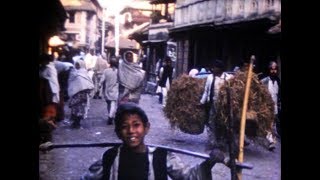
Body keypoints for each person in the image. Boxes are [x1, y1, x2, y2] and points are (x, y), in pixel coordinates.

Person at [81, 103, 226, 180]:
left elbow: (187, 177)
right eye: (124, 127)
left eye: (136, 125)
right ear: (118, 133)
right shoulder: (110, 158)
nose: (131, 131)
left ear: (146, 128)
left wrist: (209, 162)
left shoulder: (162, 156)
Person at [200, 60, 233, 150]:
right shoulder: (210, 78)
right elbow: (206, 91)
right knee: (211, 123)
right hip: (212, 104)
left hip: (223, 106)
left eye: (215, 67)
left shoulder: (228, 78)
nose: (213, 69)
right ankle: (212, 143)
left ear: (220, 69)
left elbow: (232, 92)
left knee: (222, 124)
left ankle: (222, 143)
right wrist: (202, 102)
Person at [67, 60, 94, 128]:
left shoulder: (85, 73)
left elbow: (89, 83)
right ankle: (75, 123)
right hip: (75, 95)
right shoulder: (73, 73)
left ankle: (77, 123)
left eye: (78, 64)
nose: (77, 66)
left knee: (80, 110)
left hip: (82, 95)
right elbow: (71, 82)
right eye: (76, 64)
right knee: (75, 109)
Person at [260, 61, 281, 150]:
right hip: (266, 106)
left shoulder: (278, 81)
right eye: (272, 69)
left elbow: (278, 94)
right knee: (268, 124)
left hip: (275, 106)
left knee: (272, 124)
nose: (273, 71)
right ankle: (270, 142)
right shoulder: (265, 80)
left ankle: (271, 139)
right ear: (269, 70)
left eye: (275, 69)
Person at [100, 57, 119, 125]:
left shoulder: (106, 71)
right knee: (113, 104)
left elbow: (102, 80)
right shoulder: (118, 71)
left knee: (109, 104)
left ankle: (110, 116)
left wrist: (100, 85)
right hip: (115, 90)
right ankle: (110, 117)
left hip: (107, 90)